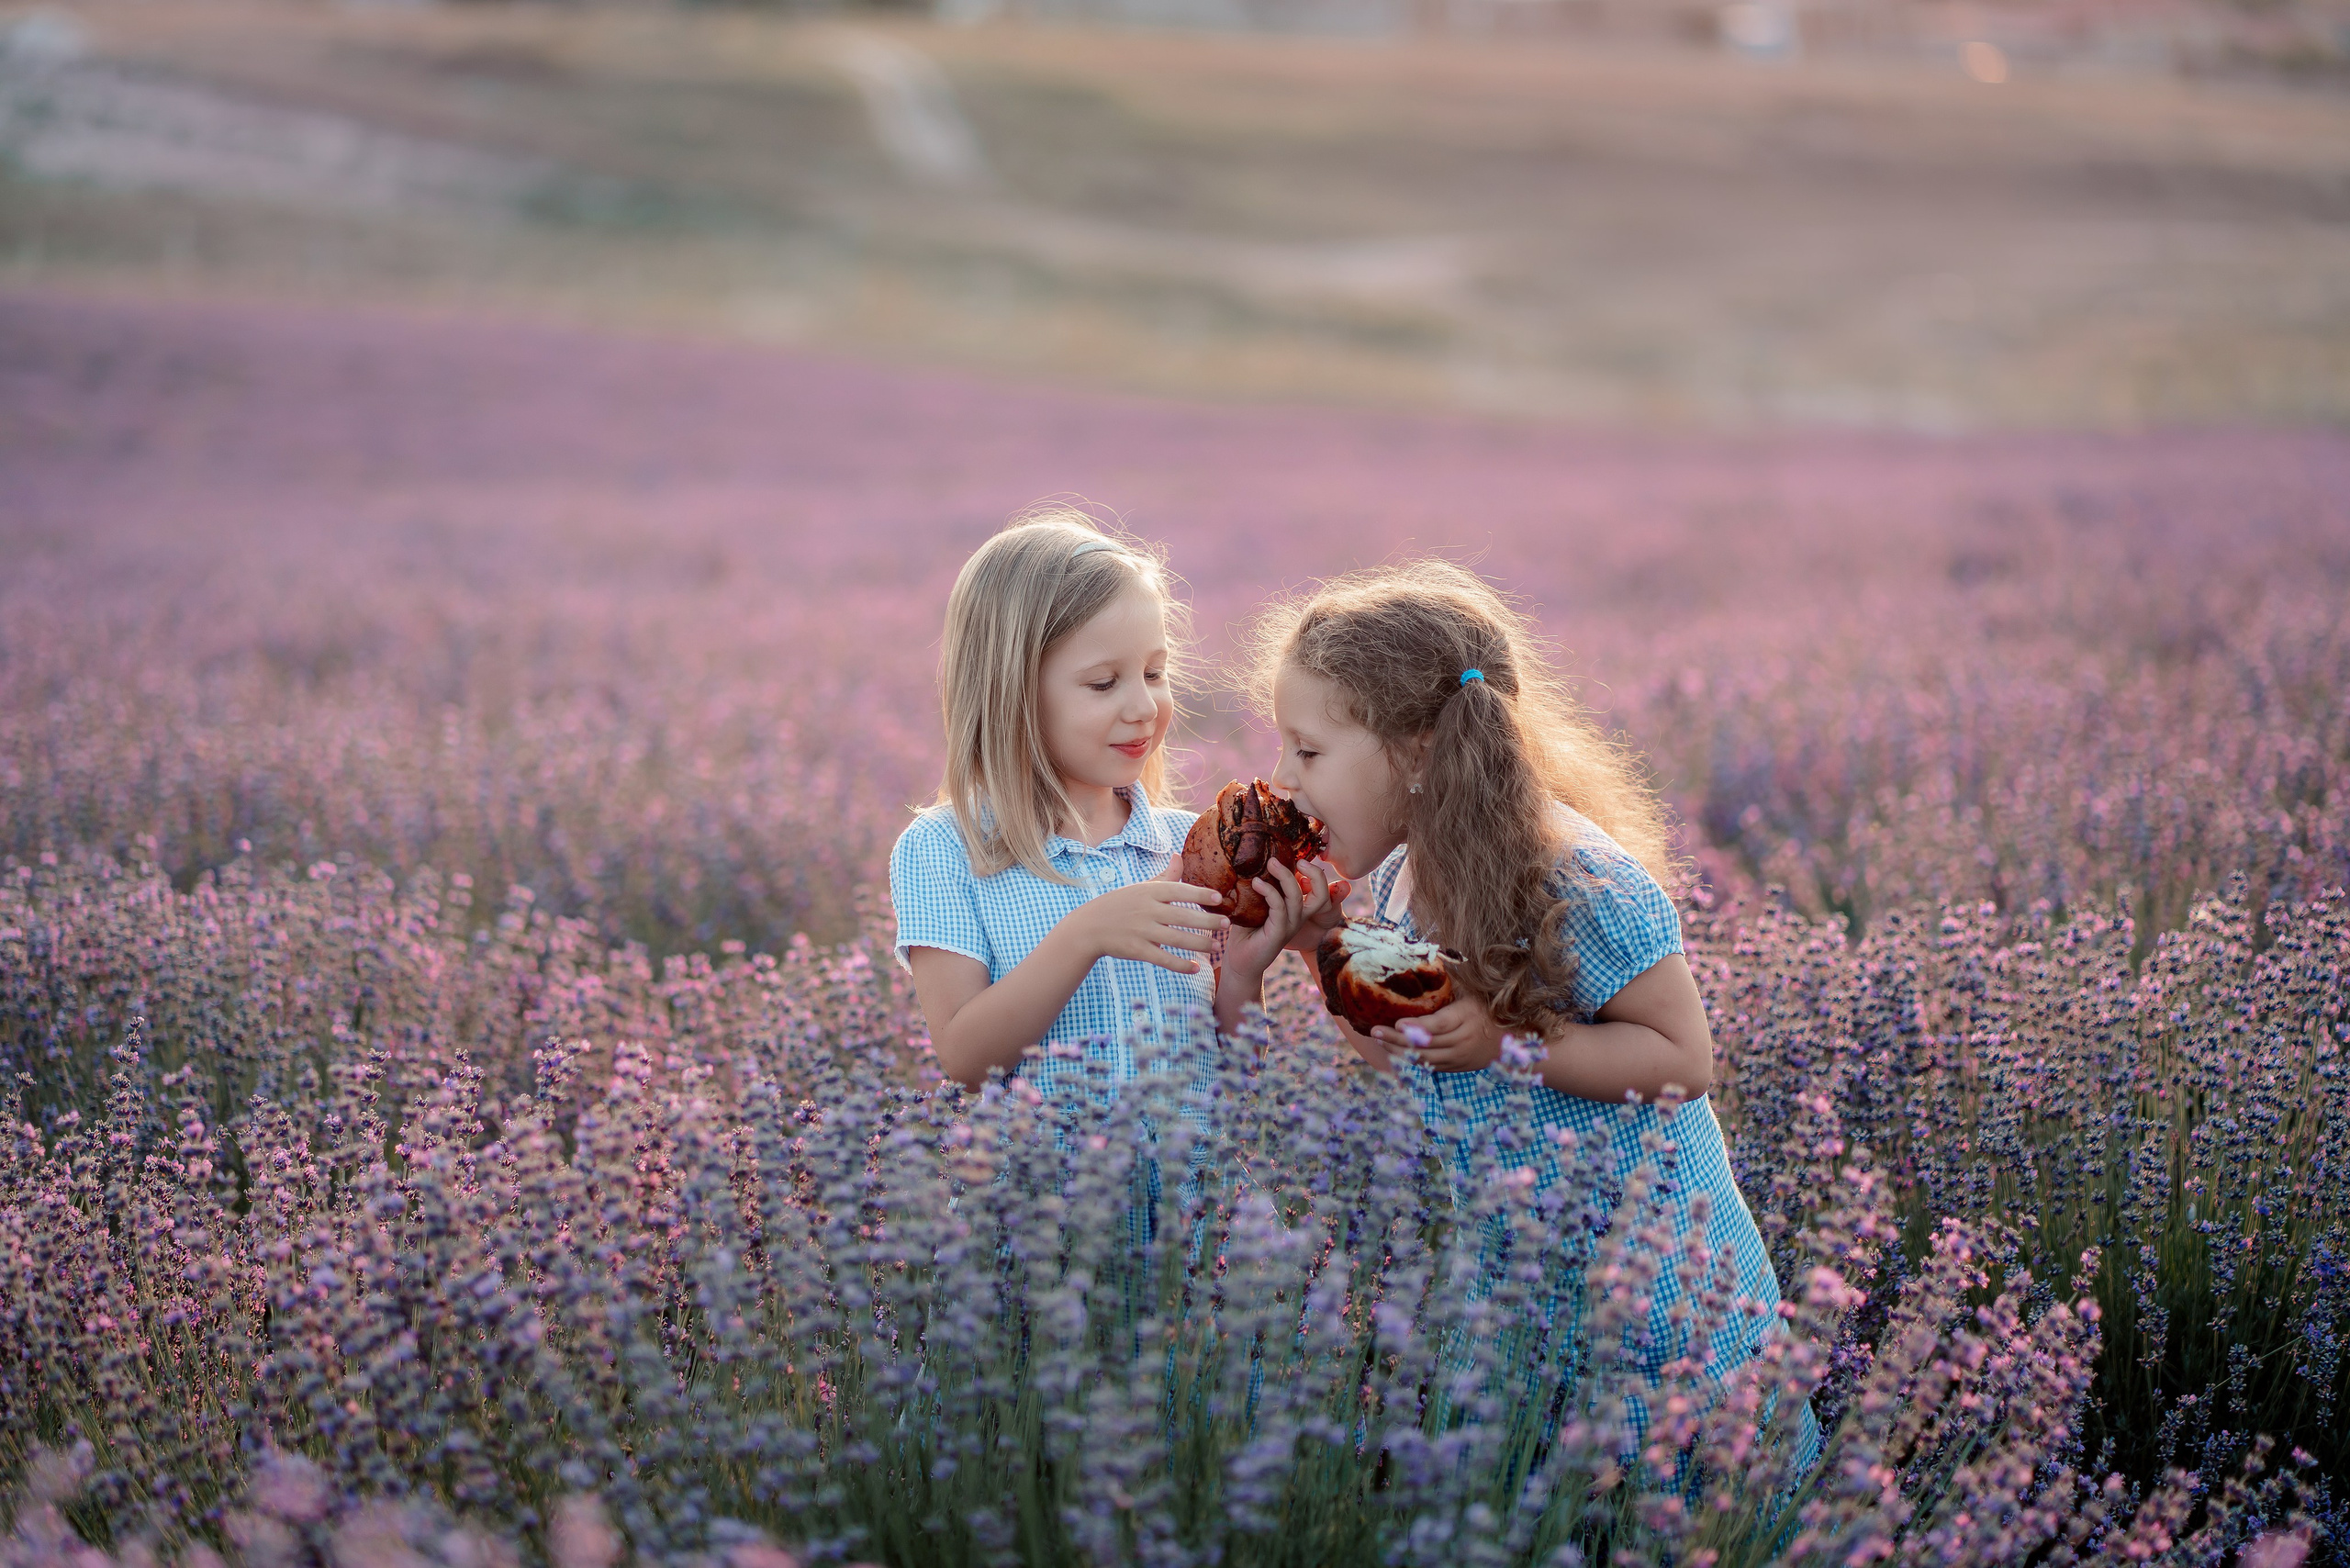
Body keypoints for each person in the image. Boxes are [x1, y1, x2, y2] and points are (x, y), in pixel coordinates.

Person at [1248, 560, 1805, 1447]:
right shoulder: (1397, 881)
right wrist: (1323, 949)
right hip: (1518, 1281)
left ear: (1419, 752)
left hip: (1658, 1284)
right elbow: (1401, 1049)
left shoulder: (1576, 880)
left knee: (1696, 1496)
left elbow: (1683, 1058)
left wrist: (1516, 1047)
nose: (1282, 776)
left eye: (1307, 750)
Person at [890, 508, 1336, 1112]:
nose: (1144, 706)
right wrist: (1086, 936)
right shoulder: (944, 849)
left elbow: (1241, 1084)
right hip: (1049, 1197)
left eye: (1155, 672)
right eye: (1105, 683)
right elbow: (967, 1062)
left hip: (1188, 1196)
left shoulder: (1186, 846)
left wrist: (1243, 976)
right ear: (1013, 691)